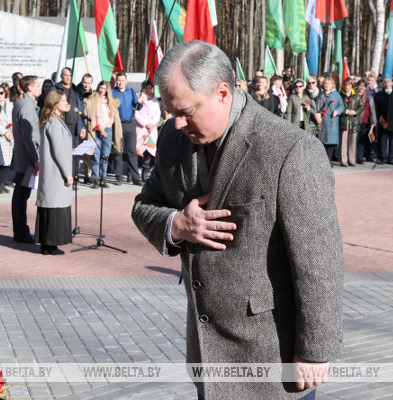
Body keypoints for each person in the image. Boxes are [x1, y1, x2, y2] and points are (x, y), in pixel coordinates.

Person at [132, 41, 343, 399]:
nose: (177, 123)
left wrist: (315, 349)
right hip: (207, 356)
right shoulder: (173, 137)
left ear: (222, 92)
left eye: (186, 111)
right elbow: (144, 206)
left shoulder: (290, 149)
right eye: (171, 113)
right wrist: (177, 226)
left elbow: (319, 260)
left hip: (270, 358)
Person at [35, 91, 75, 255]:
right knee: (55, 208)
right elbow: (58, 151)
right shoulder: (54, 124)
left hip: (54, 173)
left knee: (52, 208)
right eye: (63, 100)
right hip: (57, 174)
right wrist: (68, 173)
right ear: (54, 104)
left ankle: (48, 244)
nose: (67, 103)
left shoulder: (53, 122)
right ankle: (50, 244)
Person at [11, 75, 42, 243]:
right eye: (37, 85)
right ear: (29, 88)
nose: (39, 87)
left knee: (20, 194)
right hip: (27, 159)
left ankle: (20, 230)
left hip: (25, 157)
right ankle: (21, 231)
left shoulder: (23, 104)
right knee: (21, 195)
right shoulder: (26, 106)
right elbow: (29, 137)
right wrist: (36, 158)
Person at [85, 80, 122, 189]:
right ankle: (95, 178)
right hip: (96, 130)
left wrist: (105, 127)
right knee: (96, 155)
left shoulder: (111, 101)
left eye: (104, 89)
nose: (102, 90)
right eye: (100, 88)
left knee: (105, 155)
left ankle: (103, 178)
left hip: (108, 130)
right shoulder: (93, 100)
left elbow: (113, 118)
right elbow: (91, 117)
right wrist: (99, 128)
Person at [111, 72, 142, 186]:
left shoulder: (131, 91)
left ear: (126, 81)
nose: (120, 82)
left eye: (122, 80)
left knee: (132, 152)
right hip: (118, 125)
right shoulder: (112, 92)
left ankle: (135, 177)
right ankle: (118, 177)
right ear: (116, 81)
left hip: (130, 124)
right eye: (118, 80)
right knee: (118, 151)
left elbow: (137, 107)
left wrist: (139, 102)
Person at [134, 81, 162, 182]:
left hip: (151, 130)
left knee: (149, 152)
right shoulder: (138, 99)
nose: (148, 90)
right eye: (146, 88)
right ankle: (135, 171)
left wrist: (152, 124)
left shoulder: (154, 100)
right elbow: (136, 113)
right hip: (141, 129)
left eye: (150, 88)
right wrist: (146, 123)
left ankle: (145, 172)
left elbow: (158, 115)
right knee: (139, 151)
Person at [373, 77, 393, 165]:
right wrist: (375, 120)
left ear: (392, 83)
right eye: (385, 81)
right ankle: (382, 158)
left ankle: (391, 158)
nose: (386, 82)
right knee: (382, 140)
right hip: (382, 121)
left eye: (388, 81)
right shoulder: (378, 95)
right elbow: (375, 109)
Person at [0, 83, 13, 193]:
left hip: (11, 136)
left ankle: (3, 182)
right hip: (1, 136)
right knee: (0, 162)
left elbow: (15, 118)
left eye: (1, 93)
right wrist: (5, 132)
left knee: (8, 161)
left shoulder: (11, 105)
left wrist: (13, 132)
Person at [338, 79, 363, 167]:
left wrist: (355, 112)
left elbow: (361, 106)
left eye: (349, 85)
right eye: (345, 85)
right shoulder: (340, 95)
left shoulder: (356, 96)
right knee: (343, 140)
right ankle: (343, 160)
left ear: (352, 86)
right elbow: (338, 105)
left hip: (354, 120)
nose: (347, 87)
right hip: (344, 120)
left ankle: (352, 159)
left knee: (352, 140)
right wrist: (345, 111)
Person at [321, 76, 344, 162]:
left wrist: (337, 111)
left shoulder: (336, 95)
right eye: (325, 84)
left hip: (332, 121)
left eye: (329, 84)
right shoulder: (321, 94)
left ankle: (329, 160)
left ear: (332, 85)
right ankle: (323, 161)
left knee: (331, 141)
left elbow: (341, 106)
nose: (326, 85)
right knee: (323, 141)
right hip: (323, 121)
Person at [356, 80, 377, 164]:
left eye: (363, 86)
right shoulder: (354, 96)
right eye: (360, 86)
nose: (361, 88)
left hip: (366, 121)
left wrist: (374, 121)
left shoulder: (369, 97)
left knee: (365, 139)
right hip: (356, 121)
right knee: (357, 140)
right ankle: (356, 157)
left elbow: (373, 110)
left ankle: (363, 156)